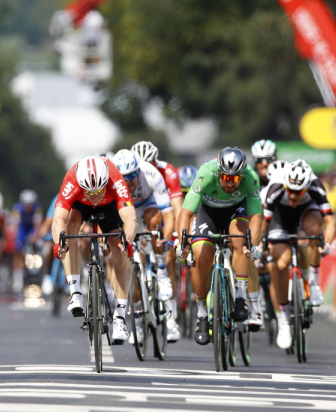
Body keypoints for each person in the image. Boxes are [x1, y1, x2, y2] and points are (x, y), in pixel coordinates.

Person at [176, 147, 265, 345]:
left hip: (236, 210)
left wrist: (255, 244)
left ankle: (241, 297)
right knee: (201, 257)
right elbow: (185, 214)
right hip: (207, 211)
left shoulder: (251, 178)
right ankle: (201, 314)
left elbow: (256, 218)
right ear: (219, 172)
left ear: (242, 175)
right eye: (225, 178)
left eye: (235, 179)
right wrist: (182, 242)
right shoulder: (206, 173)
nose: (229, 183)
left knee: (242, 239)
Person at [51, 156, 138, 344]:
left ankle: (120, 318)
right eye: (89, 191)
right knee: (69, 229)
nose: (95, 195)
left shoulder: (115, 178)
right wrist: (60, 243)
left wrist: (127, 241)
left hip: (110, 207)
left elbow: (131, 219)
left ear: (106, 182)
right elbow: (57, 219)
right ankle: (75, 293)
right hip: (80, 207)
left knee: (119, 248)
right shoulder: (72, 179)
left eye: (99, 190)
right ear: (81, 185)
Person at [264, 160, 335, 348]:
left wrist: (326, 243)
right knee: (280, 264)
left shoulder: (316, 187)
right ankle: (284, 320)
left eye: (299, 191)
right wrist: (259, 246)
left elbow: (330, 221)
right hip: (280, 217)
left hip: (306, 212)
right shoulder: (276, 188)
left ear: (307, 186)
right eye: (291, 190)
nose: (294, 195)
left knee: (313, 231)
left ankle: (312, 282)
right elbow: (263, 223)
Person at [111, 149, 180, 342]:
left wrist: (164, 238)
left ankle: (161, 272)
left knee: (153, 223)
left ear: (138, 171)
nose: (129, 181)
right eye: (124, 177)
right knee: (129, 263)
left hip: (148, 203)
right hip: (126, 209)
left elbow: (168, 213)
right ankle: (139, 323)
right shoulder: (113, 183)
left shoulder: (151, 173)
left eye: (132, 176)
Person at [130, 141, 185, 338]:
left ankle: (170, 318)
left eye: (150, 164)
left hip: (153, 203)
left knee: (166, 253)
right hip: (130, 207)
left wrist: (175, 237)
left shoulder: (166, 172)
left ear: (156, 162)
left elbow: (176, 210)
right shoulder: (127, 172)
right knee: (133, 260)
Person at [10, 189, 43, 294]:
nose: (28, 206)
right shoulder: (17, 208)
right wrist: (16, 239)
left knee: (35, 242)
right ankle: (17, 279)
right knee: (18, 250)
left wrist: (35, 236)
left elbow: (37, 225)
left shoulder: (37, 208)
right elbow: (16, 225)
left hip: (32, 227)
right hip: (23, 228)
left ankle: (35, 262)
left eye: (30, 204)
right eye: (26, 204)